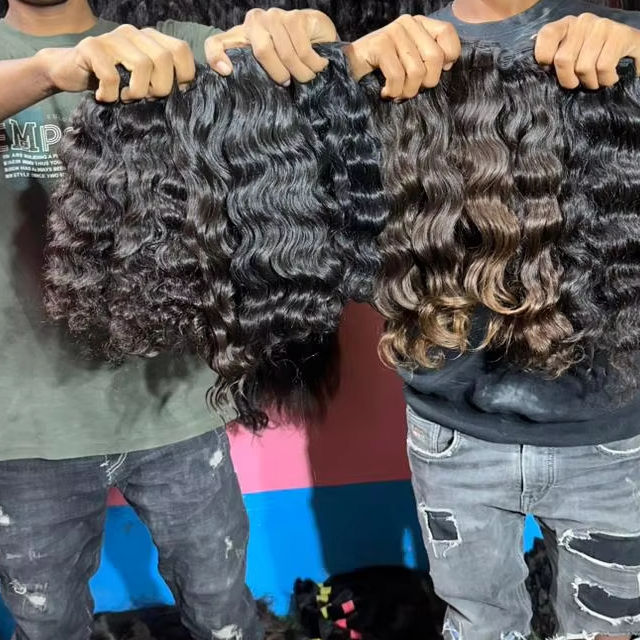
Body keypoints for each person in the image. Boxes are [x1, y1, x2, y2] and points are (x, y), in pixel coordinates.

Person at [0, 1, 468, 638]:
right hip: (26, 433)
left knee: (223, 607)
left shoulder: (174, 46)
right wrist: (49, 73)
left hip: (176, 414)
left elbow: (274, 72)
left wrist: (317, 39)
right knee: (47, 621)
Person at [382, 1, 640, 639]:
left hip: (609, 441)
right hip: (453, 438)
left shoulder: (621, 41)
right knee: (478, 626)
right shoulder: (398, 54)